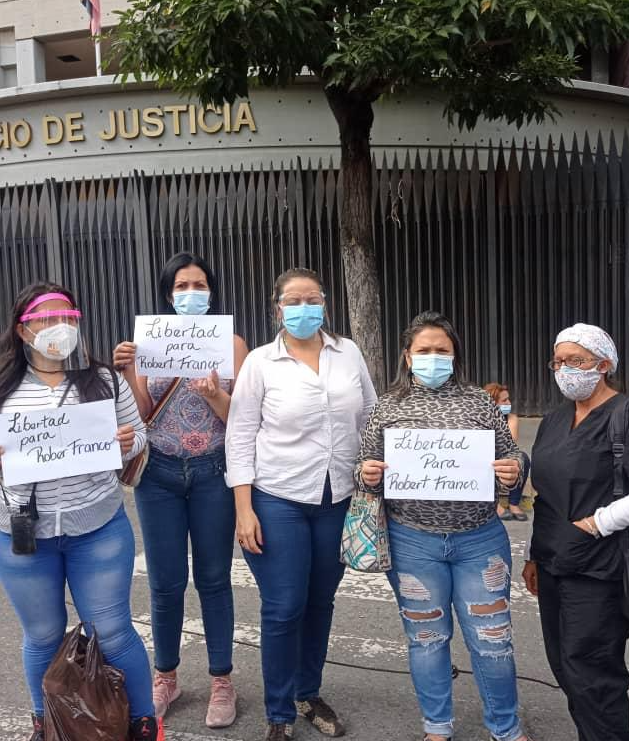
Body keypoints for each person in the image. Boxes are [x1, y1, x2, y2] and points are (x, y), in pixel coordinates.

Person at [0, 283, 156, 741]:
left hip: (99, 529)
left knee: (112, 630)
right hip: (22, 535)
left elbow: (140, 433)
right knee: (44, 636)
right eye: (45, 321)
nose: (57, 329)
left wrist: (130, 442)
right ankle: (45, 721)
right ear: (23, 331)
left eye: (66, 319)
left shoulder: (103, 380)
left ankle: (143, 723)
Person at [356, 311, 532, 741]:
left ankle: (505, 728)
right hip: (412, 541)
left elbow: (514, 456)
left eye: (442, 351)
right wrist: (367, 474)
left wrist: (514, 470)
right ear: (407, 356)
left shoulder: (480, 402)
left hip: (479, 540)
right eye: (424, 351)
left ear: (455, 356)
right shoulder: (387, 406)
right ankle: (437, 726)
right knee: (427, 639)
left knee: (492, 640)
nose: (432, 357)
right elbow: (360, 467)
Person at [225, 267, 377, 741]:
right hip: (278, 497)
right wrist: (244, 509)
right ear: (278, 309)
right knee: (284, 605)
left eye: (313, 298)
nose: (305, 308)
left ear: (325, 305)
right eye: (294, 300)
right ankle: (279, 713)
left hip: (339, 498)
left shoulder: (347, 352)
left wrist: (378, 469)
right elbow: (240, 434)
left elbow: (372, 415)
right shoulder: (261, 363)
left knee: (319, 600)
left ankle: (308, 692)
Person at [113, 253, 249, 727]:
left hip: (213, 471)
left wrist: (214, 393)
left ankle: (221, 681)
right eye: (182, 285)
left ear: (212, 292)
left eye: (200, 284)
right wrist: (129, 371)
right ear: (168, 293)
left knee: (214, 580)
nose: (192, 292)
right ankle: (165, 676)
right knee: (165, 582)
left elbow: (242, 418)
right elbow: (144, 409)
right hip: (160, 474)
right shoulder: (151, 342)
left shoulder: (231, 344)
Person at [523, 324, 629, 741]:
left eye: (576, 361)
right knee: (564, 664)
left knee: (594, 670)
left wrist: (596, 524)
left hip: (600, 564)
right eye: (558, 361)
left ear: (604, 365)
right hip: (552, 560)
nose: (565, 370)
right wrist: (533, 554)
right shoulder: (554, 420)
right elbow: (545, 495)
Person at [483, 383, 529, 521]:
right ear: (492, 402)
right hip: (487, 455)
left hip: (503, 453)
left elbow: (511, 441)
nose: (508, 403)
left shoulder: (511, 418)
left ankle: (514, 504)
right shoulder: (480, 417)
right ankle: (495, 505)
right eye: (504, 400)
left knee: (523, 458)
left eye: (508, 399)